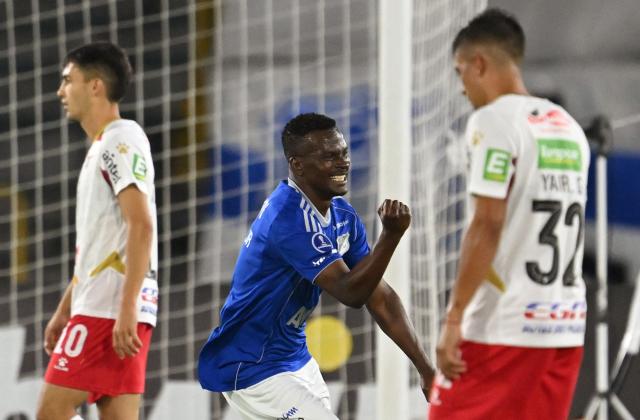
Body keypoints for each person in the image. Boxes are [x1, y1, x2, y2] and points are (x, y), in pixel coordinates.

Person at [198, 112, 434, 419]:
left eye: (344, 152)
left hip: (293, 358)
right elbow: (351, 293)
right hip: (252, 365)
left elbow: (381, 298)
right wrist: (389, 236)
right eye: (329, 157)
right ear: (298, 165)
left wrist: (426, 369)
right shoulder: (289, 219)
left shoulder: (342, 216)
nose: (343, 163)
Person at [429, 8, 590, 420]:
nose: (462, 87)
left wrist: (455, 319)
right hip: (564, 325)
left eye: (460, 71)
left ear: (479, 64)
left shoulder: (494, 121)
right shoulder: (568, 126)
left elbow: (488, 221)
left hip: (504, 327)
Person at [36, 42, 158, 420]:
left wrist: (125, 307)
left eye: (67, 80)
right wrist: (65, 309)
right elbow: (103, 245)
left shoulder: (119, 139)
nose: (60, 91)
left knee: (50, 413)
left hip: (109, 310)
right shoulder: (104, 145)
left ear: (95, 86)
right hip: (108, 304)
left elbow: (141, 225)